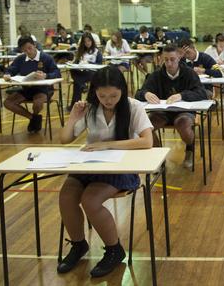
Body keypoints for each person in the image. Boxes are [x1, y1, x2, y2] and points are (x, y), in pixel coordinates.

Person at [57, 66, 153, 277]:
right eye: (102, 95)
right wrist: (73, 117)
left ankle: (114, 250)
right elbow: (64, 139)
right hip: (91, 165)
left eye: (113, 95)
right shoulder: (90, 108)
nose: (108, 100)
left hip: (121, 168)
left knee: (90, 200)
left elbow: (147, 141)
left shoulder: (133, 106)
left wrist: (109, 145)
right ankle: (78, 244)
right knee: (66, 197)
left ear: (122, 90)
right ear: (95, 92)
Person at [135, 44, 208, 169]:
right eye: (166, 59)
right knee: (145, 127)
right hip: (162, 112)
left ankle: (189, 149)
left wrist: (182, 95)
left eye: (172, 59)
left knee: (182, 124)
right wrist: (146, 94)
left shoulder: (189, 73)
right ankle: (159, 156)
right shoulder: (156, 75)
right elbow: (138, 93)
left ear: (179, 58)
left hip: (184, 111)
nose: (169, 63)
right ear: (162, 59)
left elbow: (202, 93)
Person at [3, 36, 61, 133]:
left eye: (29, 48)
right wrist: (7, 74)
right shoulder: (20, 59)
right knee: (8, 102)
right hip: (26, 89)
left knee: (37, 103)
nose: (28, 52)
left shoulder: (46, 58)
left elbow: (57, 73)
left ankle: (34, 117)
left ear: (34, 45)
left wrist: (46, 75)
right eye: (24, 50)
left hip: (43, 89)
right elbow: (11, 69)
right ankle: (33, 118)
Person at [69, 33, 103, 109]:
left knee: (77, 82)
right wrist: (72, 63)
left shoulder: (97, 52)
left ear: (92, 41)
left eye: (89, 41)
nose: (87, 43)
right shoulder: (81, 51)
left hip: (93, 72)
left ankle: (74, 104)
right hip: (81, 71)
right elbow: (76, 62)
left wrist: (89, 63)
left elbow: (99, 65)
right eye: (85, 42)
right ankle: (82, 85)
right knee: (72, 70)